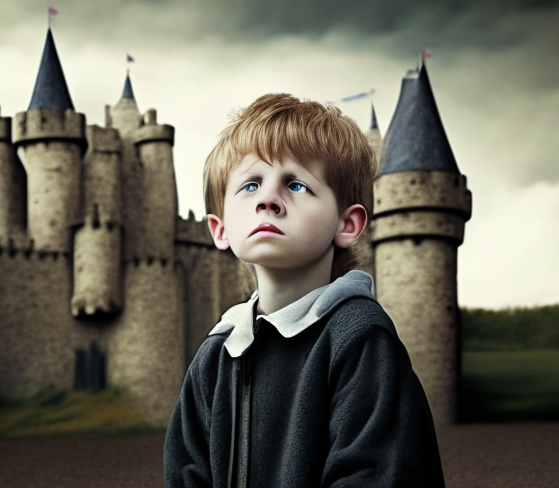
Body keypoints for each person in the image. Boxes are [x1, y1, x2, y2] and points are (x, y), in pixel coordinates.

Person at [164, 93, 445, 488]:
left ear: (347, 224)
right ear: (220, 229)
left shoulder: (360, 340)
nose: (268, 200)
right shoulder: (214, 356)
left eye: (296, 185)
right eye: (249, 186)